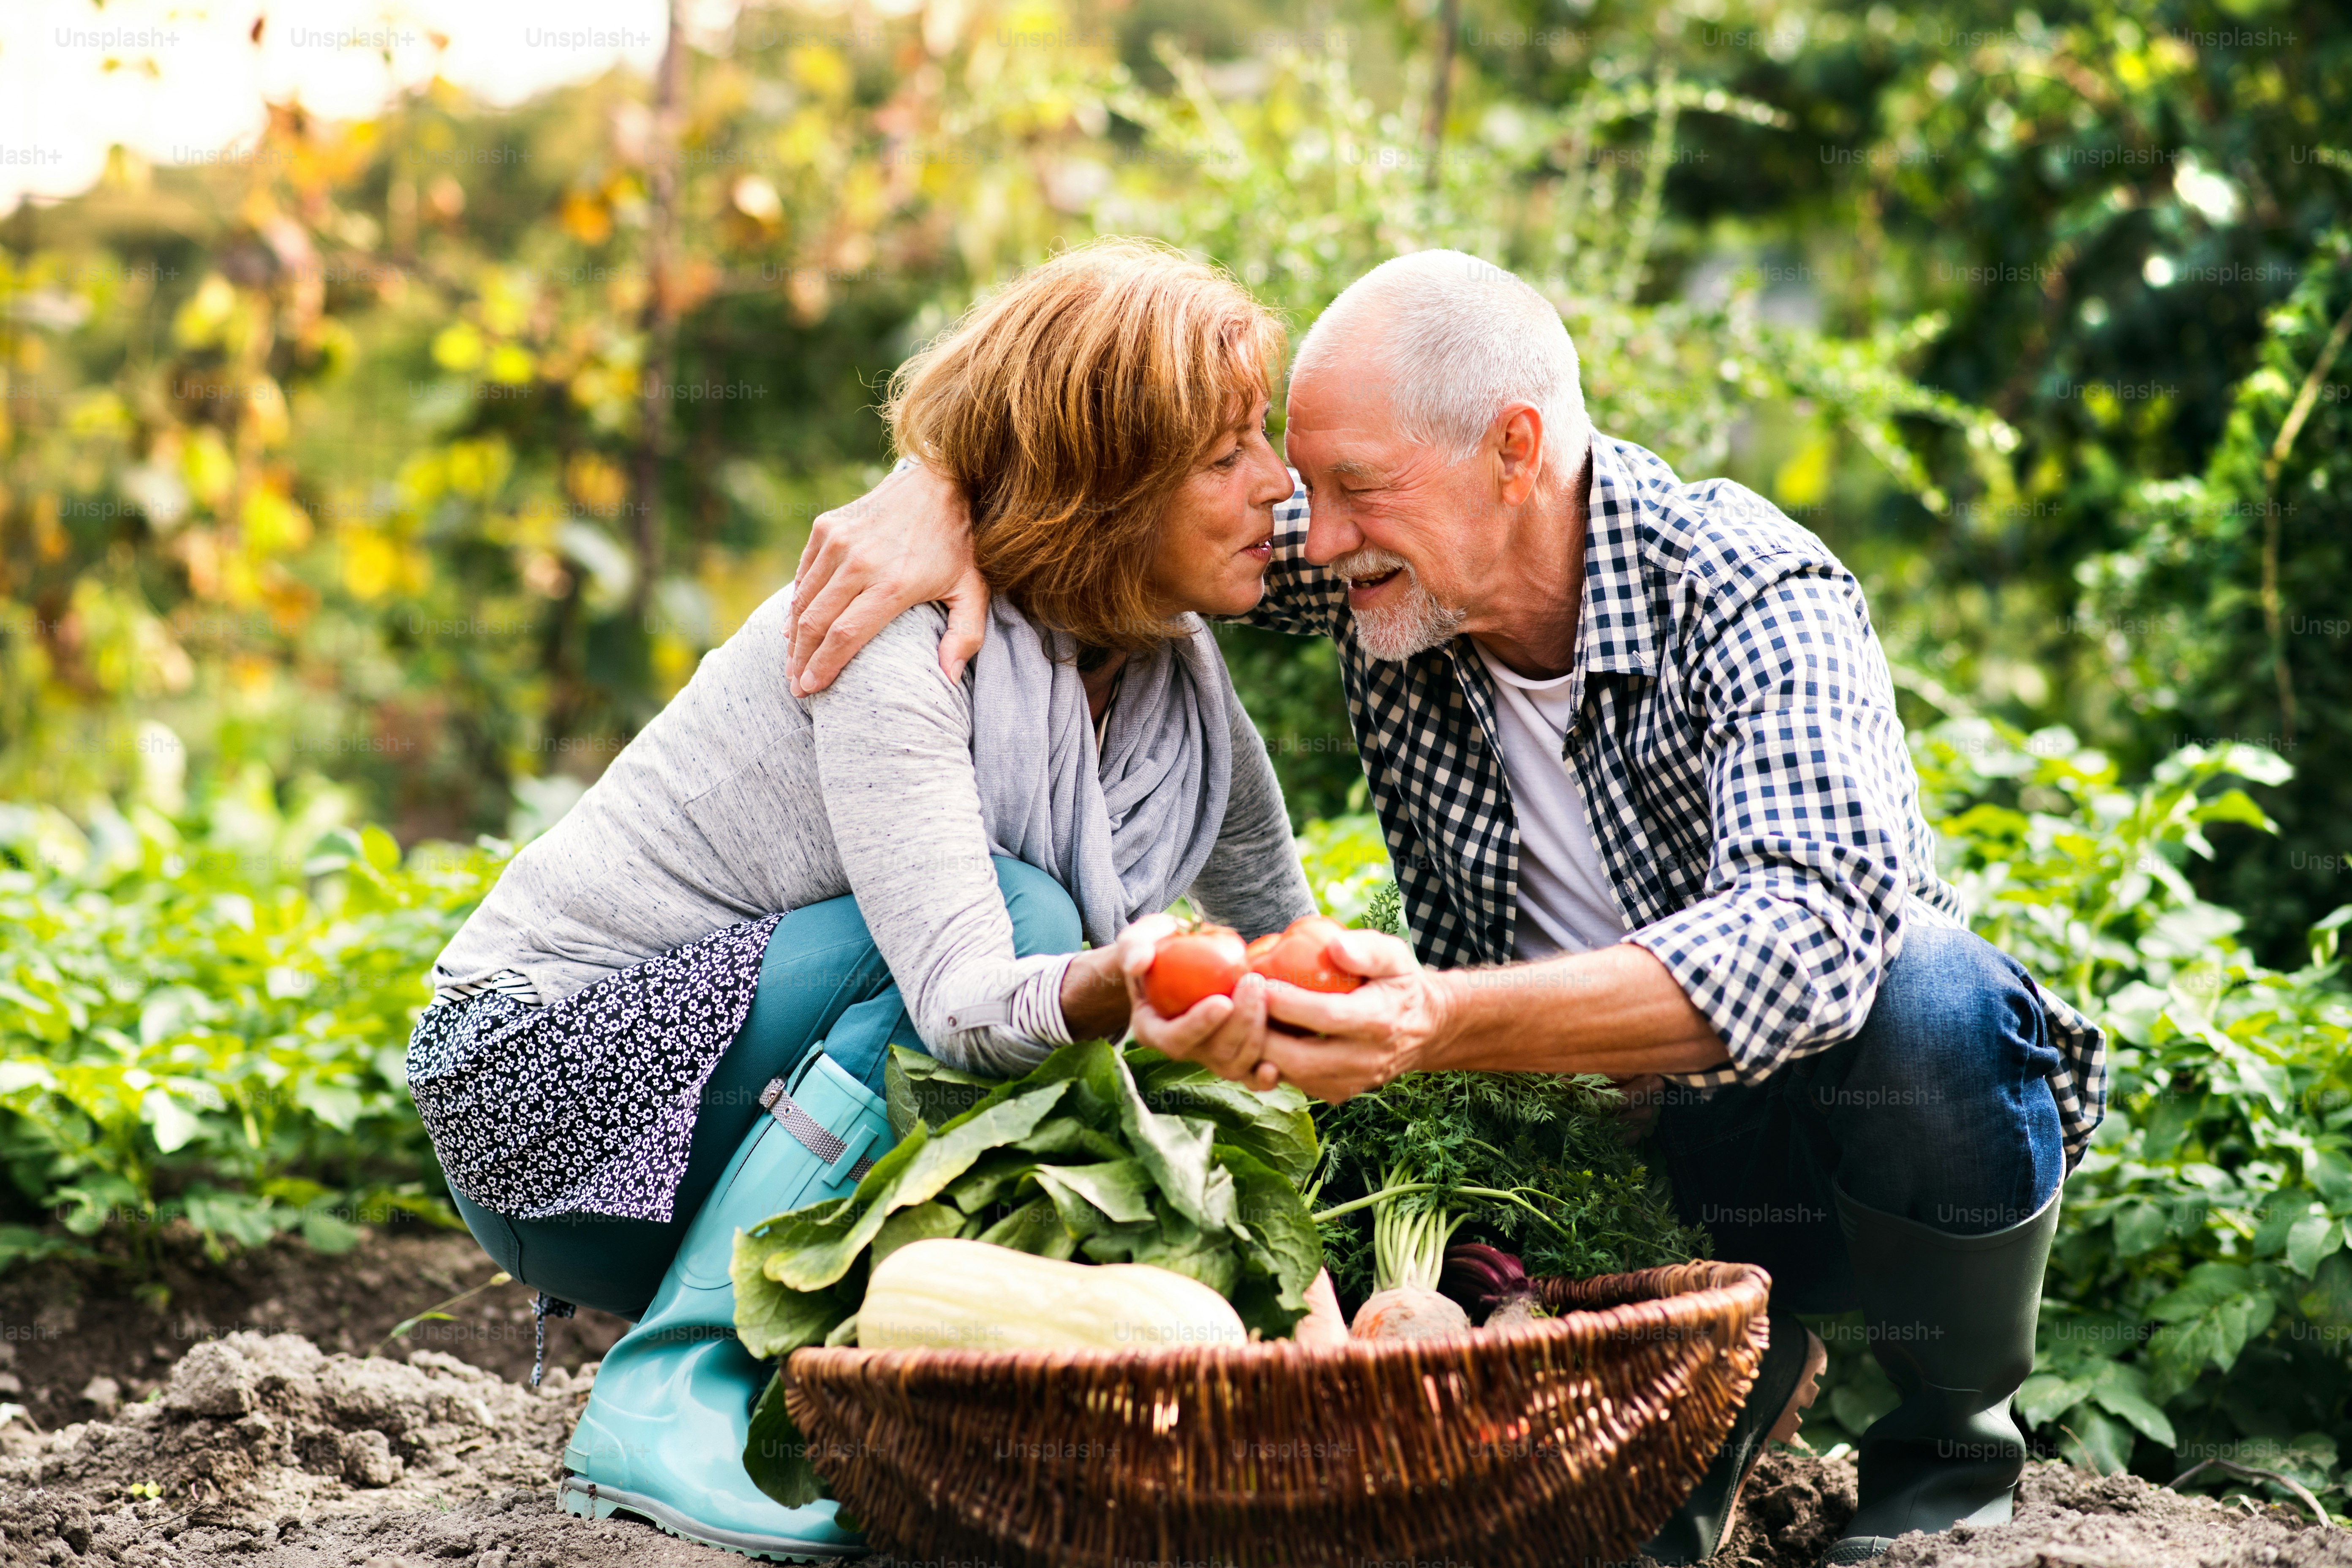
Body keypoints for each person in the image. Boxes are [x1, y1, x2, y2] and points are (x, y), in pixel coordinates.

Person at [785, 248, 2107, 1568]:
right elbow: (1105, 451)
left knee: (1932, 998)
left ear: (1514, 450)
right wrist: (934, 485)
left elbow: (1811, 942)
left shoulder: (1754, 595)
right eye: (1308, 488)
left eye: (1355, 488)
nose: (1315, 532)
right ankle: (1715, 1375)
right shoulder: (1393, 563)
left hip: (1813, 1138)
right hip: (1582, 1175)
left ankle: (1950, 1449)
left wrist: (1436, 1019)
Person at [406, 238, 1323, 1559]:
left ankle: (812, 1390)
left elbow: (1282, 943)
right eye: (1227, 455)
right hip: (543, 1095)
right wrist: (1120, 982)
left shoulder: (1185, 697)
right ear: (1109, 483)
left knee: (1058, 1000)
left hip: (719, 1103)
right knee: (1030, 923)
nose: (1280, 489)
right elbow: (962, 998)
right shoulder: (900, 636)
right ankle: (666, 1390)